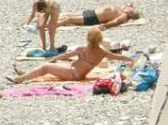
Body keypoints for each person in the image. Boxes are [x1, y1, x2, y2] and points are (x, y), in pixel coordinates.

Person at [7, 28, 135, 83]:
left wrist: (53, 59)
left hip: (73, 74)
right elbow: (119, 57)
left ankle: (19, 80)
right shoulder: (102, 52)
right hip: (78, 74)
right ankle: (25, 74)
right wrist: (131, 59)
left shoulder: (82, 49)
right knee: (51, 67)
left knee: (45, 67)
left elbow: (65, 55)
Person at [56, 3, 140, 30]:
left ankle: (51, 26)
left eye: (131, 9)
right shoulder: (122, 10)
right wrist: (130, 6)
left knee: (69, 19)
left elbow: (116, 22)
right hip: (92, 12)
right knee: (67, 15)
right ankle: (52, 22)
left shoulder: (124, 16)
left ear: (131, 14)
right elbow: (129, 3)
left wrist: (105, 26)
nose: (129, 7)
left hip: (93, 18)